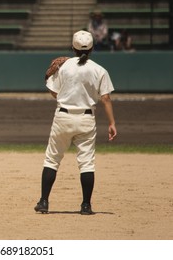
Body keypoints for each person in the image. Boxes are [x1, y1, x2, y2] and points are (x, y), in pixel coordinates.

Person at [34, 30, 117, 215]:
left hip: (63, 117)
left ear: (73, 47)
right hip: (86, 119)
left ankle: (44, 202)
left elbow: (55, 92)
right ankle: (86, 206)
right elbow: (105, 99)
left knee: (52, 159)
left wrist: (47, 77)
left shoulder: (63, 67)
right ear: (93, 48)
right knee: (87, 163)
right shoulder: (99, 69)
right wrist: (111, 123)